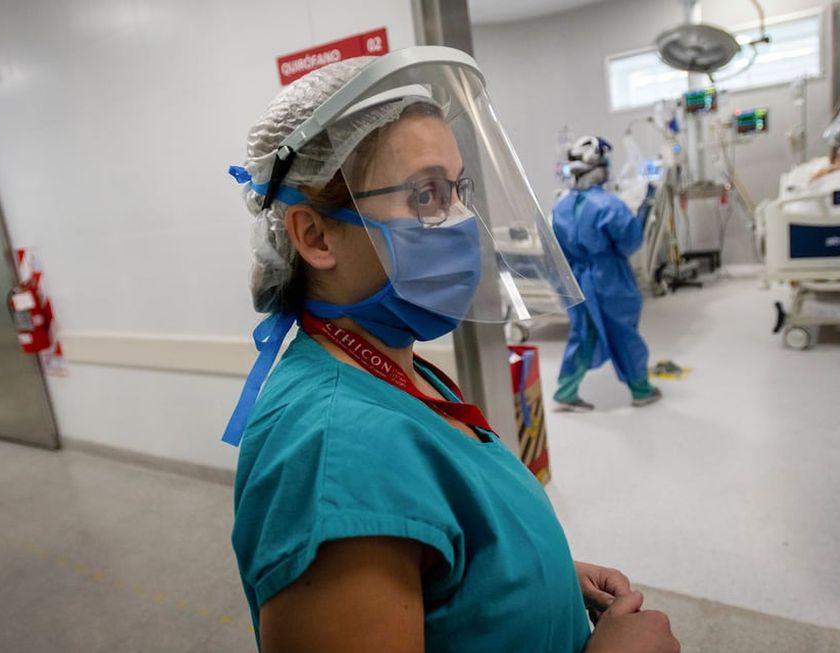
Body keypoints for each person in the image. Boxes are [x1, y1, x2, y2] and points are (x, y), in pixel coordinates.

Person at [223, 50, 679, 653]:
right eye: (426, 195)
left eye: (458, 190)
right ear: (315, 235)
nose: (462, 221)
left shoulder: (394, 370)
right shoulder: (334, 457)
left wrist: (531, 578)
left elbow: (444, 551)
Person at [552, 136, 661, 412]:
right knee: (623, 332)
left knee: (582, 332)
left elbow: (557, 247)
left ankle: (565, 392)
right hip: (608, 278)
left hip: (576, 278)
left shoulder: (561, 206)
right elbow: (630, 243)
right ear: (599, 168)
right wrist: (643, 211)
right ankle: (641, 390)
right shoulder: (609, 205)